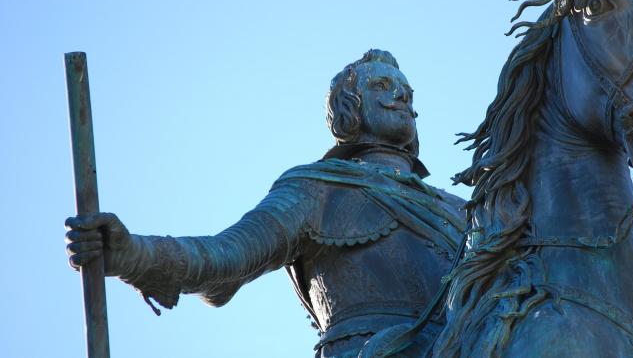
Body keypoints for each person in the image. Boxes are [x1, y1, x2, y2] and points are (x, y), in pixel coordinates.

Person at [65, 49, 467, 357]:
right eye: (380, 86)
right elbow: (226, 255)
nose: (400, 96)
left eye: (406, 91)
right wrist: (132, 253)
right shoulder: (316, 187)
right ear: (350, 107)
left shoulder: (464, 210)